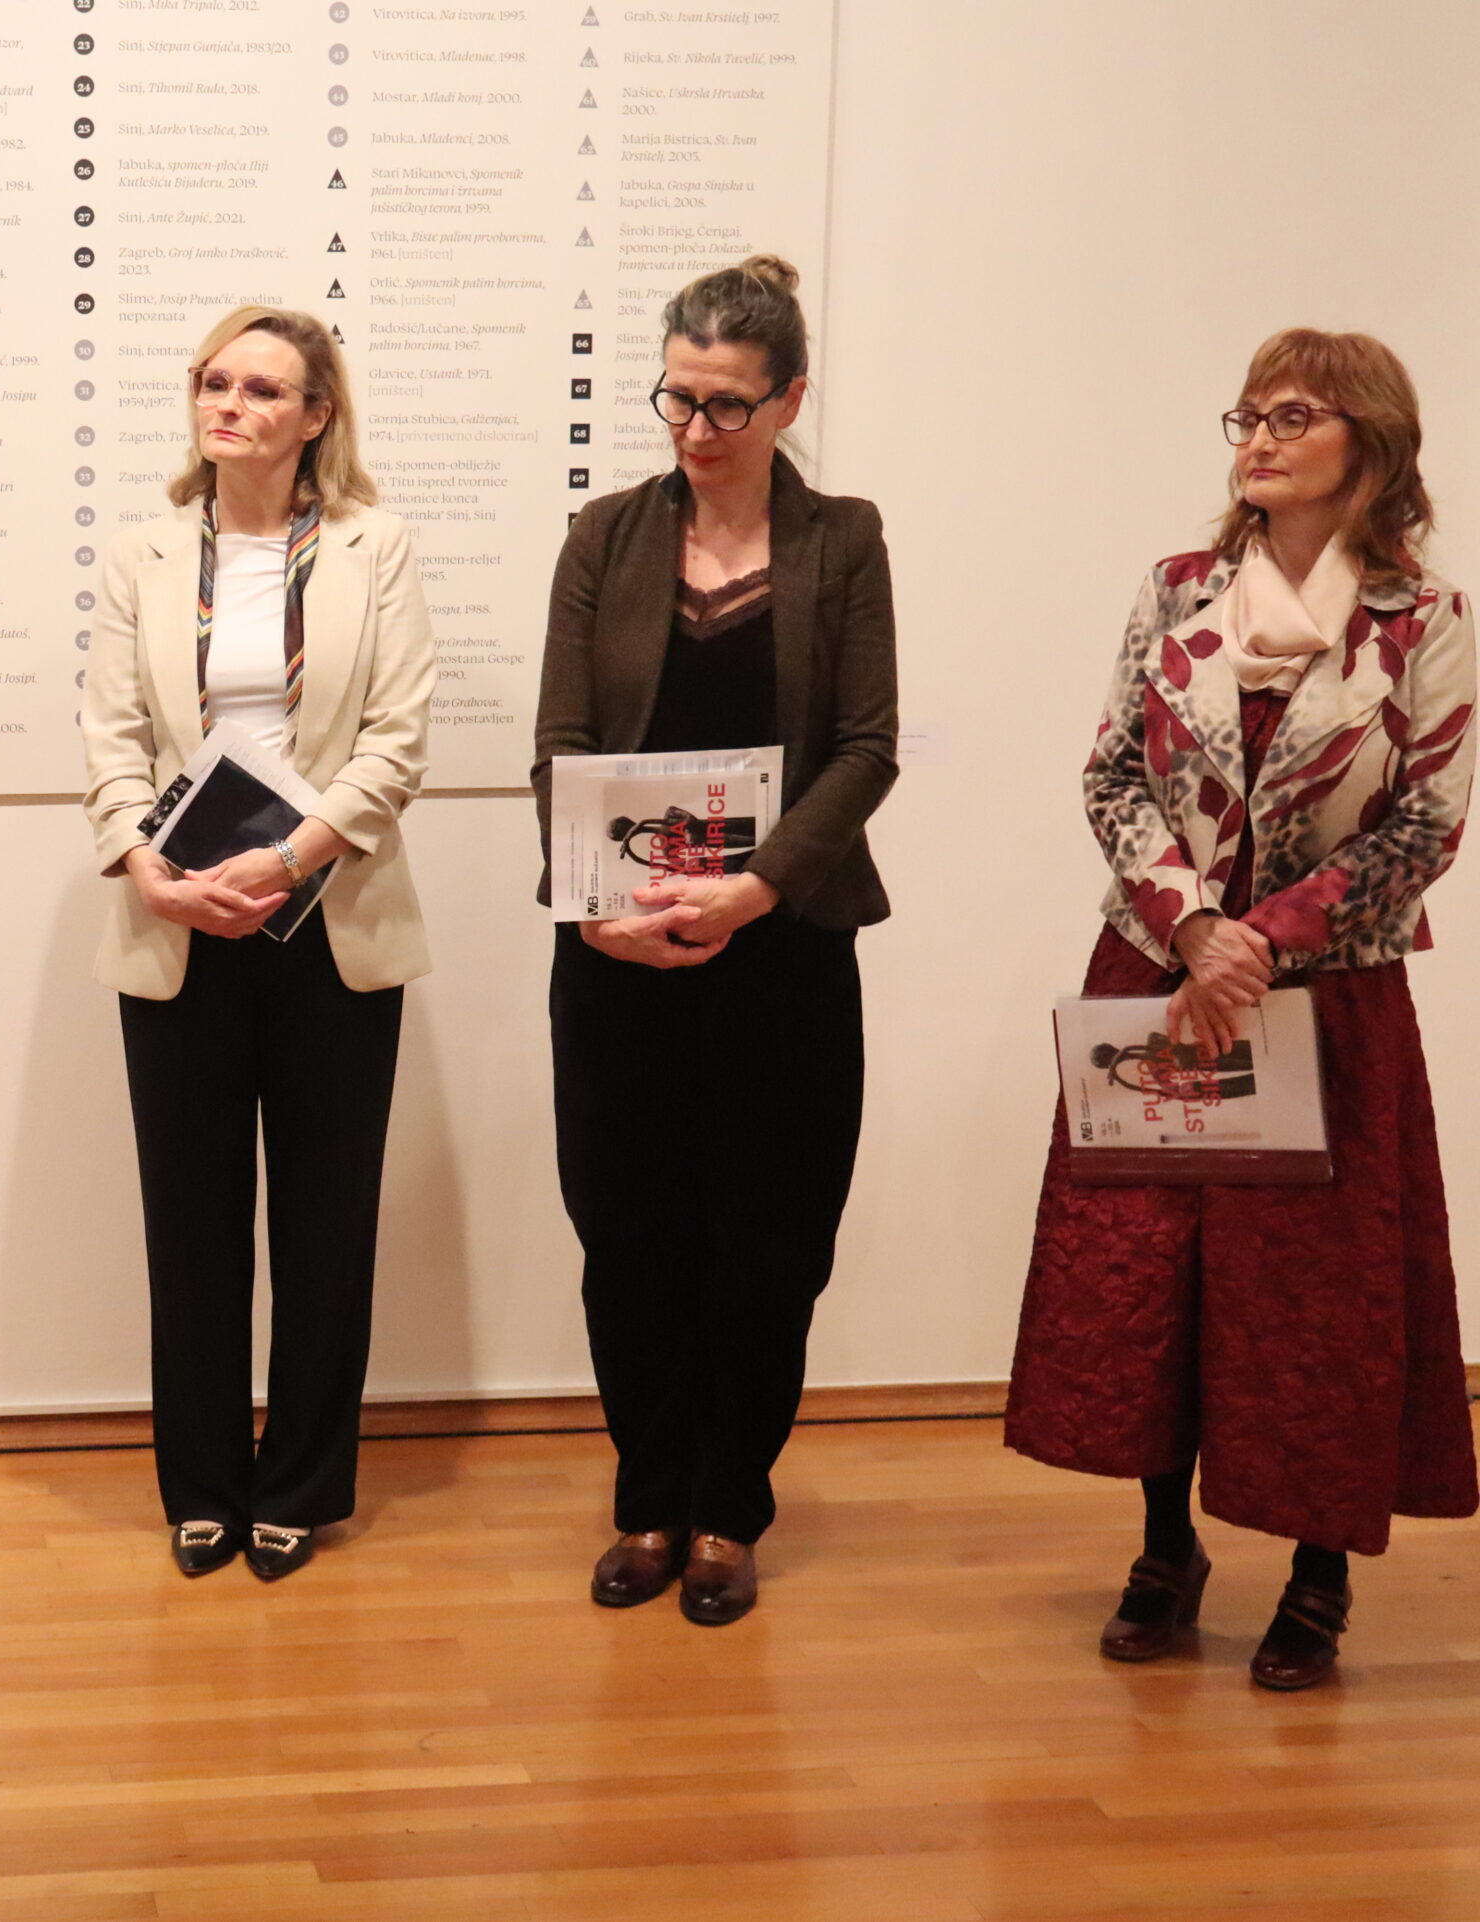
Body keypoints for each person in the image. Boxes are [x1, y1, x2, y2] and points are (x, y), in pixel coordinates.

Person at [1006, 329, 1476, 1691]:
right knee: (1154, 1271)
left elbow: (1426, 823)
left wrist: (1263, 939)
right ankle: (1167, 1549)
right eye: (1250, 416)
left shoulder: (1424, 617)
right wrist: (1195, 926)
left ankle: (1318, 1572)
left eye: (1293, 415)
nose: (1258, 439)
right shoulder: (1178, 589)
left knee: (1314, 1295)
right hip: (1161, 973)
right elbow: (1110, 774)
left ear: (1368, 441)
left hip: (1328, 998)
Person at [531, 255, 897, 1626]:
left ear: (790, 399)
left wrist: (756, 891)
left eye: (728, 403)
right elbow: (560, 740)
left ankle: (728, 1507)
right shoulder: (606, 535)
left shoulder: (841, 539)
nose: (695, 427)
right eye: (677, 397)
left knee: (769, 1237)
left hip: (781, 948)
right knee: (625, 1228)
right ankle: (647, 1494)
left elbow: (866, 746)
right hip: (617, 947)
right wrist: (596, 903)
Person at [81, 305, 435, 1582]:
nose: (228, 405)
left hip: (329, 921)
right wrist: (147, 866)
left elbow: (396, 739)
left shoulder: (372, 546)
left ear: (315, 415)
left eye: (262, 389)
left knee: (326, 1226)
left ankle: (298, 1481)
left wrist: (290, 858)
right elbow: (112, 735)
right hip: (178, 920)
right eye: (213, 382)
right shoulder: (141, 554)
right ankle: (201, 1484)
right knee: (191, 1226)